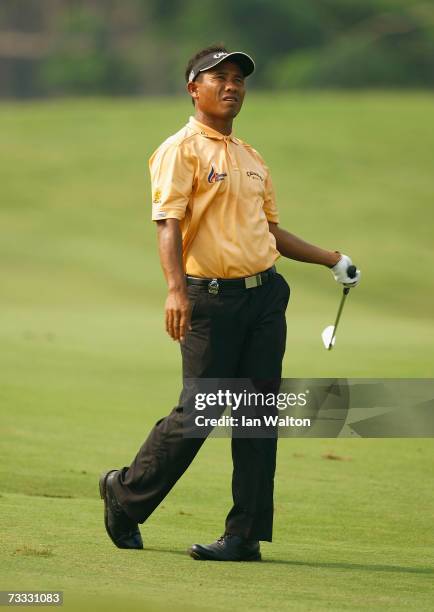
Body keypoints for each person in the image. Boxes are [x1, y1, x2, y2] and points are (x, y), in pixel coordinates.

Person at [99, 45, 361, 562]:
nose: (232, 85)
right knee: (200, 411)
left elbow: (272, 231)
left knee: (259, 419)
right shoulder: (181, 149)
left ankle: (244, 536)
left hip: (264, 299)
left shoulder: (251, 157)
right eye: (218, 76)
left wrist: (333, 259)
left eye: (238, 77)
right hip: (210, 300)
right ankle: (124, 495)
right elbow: (168, 224)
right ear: (193, 88)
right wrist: (175, 289)